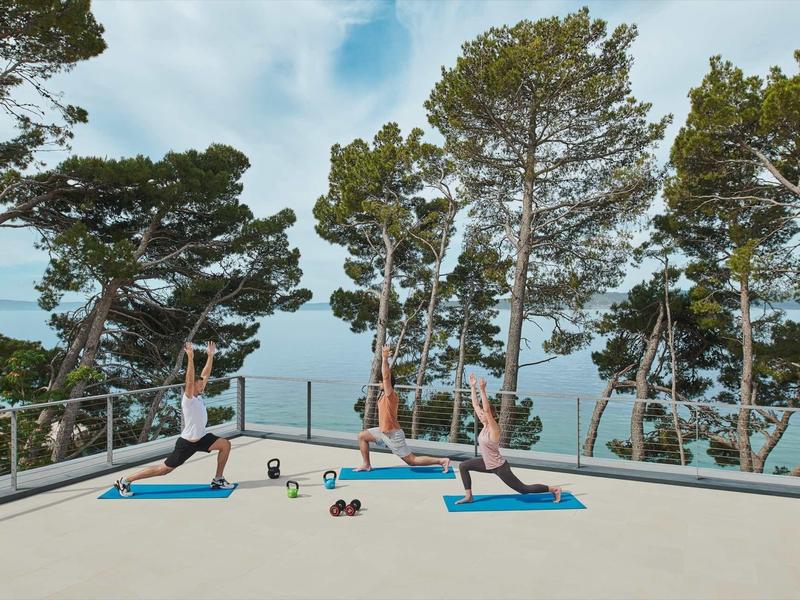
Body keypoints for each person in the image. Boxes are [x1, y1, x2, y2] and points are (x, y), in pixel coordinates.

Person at [113, 341, 235, 497]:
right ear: (193, 387)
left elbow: (205, 374)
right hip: (187, 443)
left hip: (202, 437)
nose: (202, 385)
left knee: (225, 445)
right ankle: (125, 480)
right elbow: (190, 380)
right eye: (199, 384)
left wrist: (210, 356)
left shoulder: (198, 396)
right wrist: (190, 358)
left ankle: (218, 479)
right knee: (163, 470)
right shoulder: (188, 399)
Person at [456, 373, 561, 504]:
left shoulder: (494, 429)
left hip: (499, 467)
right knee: (463, 466)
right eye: (481, 414)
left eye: (483, 414)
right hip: (487, 463)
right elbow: (475, 405)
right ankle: (469, 496)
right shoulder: (484, 424)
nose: (480, 414)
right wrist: (473, 387)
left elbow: (487, 410)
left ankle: (554, 489)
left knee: (523, 489)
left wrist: (483, 390)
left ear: (491, 416)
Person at [355, 345, 450, 472]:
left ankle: (441, 461)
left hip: (393, 435)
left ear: (386, 384)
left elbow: (386, 377)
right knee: (362, 436)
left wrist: (384, 359)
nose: (379, 384)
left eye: (380, 382)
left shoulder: (390, 395)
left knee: (412, 461)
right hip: (383, 432)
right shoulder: (383, 394)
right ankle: (366, 464)